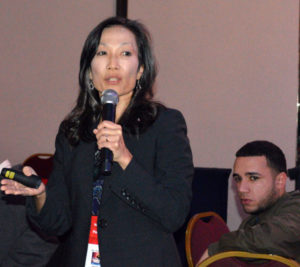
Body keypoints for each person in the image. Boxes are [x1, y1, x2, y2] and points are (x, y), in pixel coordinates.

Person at [1, 16, 194, 267]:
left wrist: (124, 158)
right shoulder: (73, 131)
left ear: (141, 70)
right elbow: (57, 222)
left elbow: (173, 213)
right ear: (90, 70)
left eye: (125, 53)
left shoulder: (165, 124)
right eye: (102, 52)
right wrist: (39, 195)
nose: (112, 64)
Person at [198, 140, 300, 265]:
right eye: (238, 179)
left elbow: (273, 238)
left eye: (253, 178)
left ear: (279, 181)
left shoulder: (296, 206)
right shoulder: (251, 222)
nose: (241, 188)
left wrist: (215, 249)